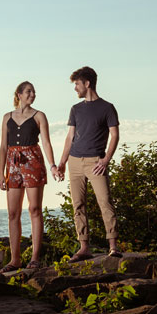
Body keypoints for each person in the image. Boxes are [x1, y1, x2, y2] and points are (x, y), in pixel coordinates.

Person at [53, 66, 120, 259]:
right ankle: (84, 248)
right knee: (78, 205)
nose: (75, 88)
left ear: (87, 83)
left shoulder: (107, 108)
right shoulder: (76, 109)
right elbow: (70, 137)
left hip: (96, 162)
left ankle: (113, 246)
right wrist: (62, 162)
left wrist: (106, 159)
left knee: (105, 202)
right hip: (74, 161)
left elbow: (115, 135)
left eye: (77, 84)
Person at [0, 80, 57, 272]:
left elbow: (46, 143)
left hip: (33, 160)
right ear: (19, 94)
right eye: (29, 91)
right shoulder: (7, 117)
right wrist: (1, 173)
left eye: (34, 92)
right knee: (13, 213)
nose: (33, 95)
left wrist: (53, 165)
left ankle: (34, 258)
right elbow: (3, 147)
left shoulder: (39, 116)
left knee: (34, 209)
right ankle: (15, 260)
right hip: (12, 164)